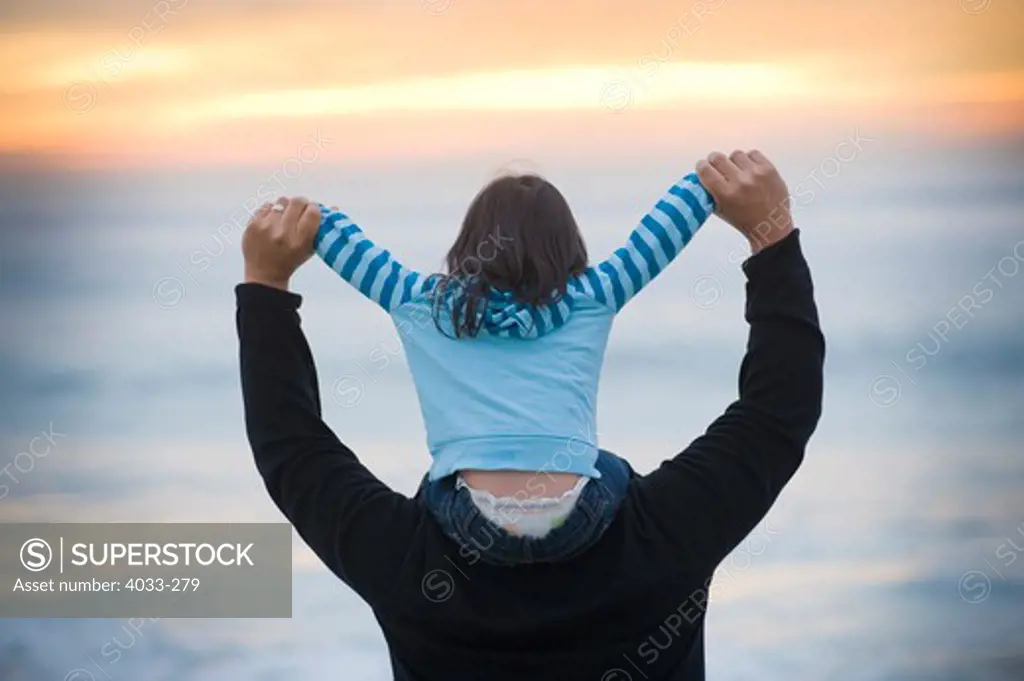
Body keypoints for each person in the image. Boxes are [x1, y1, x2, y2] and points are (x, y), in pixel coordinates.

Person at [237, 150, 824, 680]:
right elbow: (777, 413)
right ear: (572, 266)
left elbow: (291, 448)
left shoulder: (406, 569)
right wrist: (770, 238)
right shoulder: (668, 537)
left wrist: (267, 283)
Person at [308, 171, 714, 564]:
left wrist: (319, 218)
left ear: (469, 242)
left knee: (434, 483)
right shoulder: (595, 295)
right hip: (577, 516)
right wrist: (705, 183)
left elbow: (358, 256)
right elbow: (654, 239)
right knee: (611, 467)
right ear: (566, 244)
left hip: (471, 520)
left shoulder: (422, 303)